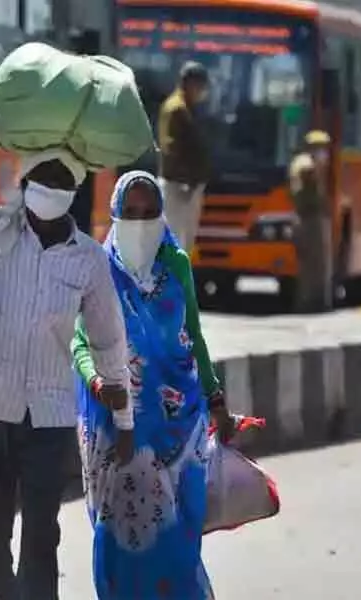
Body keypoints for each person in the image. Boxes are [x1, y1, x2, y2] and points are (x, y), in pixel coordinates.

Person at [0, 93, 131, 600]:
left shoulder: (88, 261)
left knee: (42, 533)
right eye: (42, 180)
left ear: (73, 191)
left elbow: (108, 341)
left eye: (61, 182)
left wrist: (124, 423)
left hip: (50, 416)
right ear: (26, 185)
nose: (49, 189)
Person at [72, 170, 238, 600]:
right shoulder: (97, 268)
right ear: (114, 213)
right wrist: (96, 383)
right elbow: (79, 339)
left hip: (182, 428)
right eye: (130, 212)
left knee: (177, 542)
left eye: (149, 212)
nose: (141, 222)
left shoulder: (176, 263)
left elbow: (194, 334)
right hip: (115, 426)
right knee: (119, 537)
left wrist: (216, 398)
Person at [157, 61, 211, 254]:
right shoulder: (177, 109)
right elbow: (172, 147)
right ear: (189, 84)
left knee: (184, 240)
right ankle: (172, 282)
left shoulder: (187, 107)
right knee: (176, 239)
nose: (202, 91)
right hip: (178, 186)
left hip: (185, 184)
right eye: (200, 85)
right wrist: (186, 180)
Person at [287, 130, 333, 313]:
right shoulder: (306, 165)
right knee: (312, 265)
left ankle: (314, 300)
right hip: (308, 218)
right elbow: (304, 187)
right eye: (321, 147)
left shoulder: (305, 163)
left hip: (309, 217)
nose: (324, 151)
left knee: (315, 264)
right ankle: (310, 303)